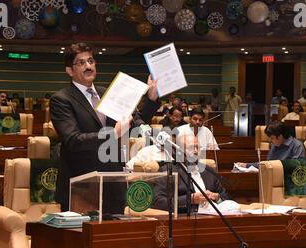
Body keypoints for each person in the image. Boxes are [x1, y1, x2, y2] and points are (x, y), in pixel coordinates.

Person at [49, 42, 160, 212]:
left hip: (112, 184)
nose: (88, 66)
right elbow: (73, 140)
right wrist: (113, 134)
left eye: (91, 61)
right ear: (69, 71)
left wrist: (151, 100)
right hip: (81, 186)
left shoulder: (106, 93)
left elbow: (136, 125)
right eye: (81, 62)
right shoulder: (61, 99)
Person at [153, 134, 233, 213]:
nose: (196, 151)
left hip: (214, 214)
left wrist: (216, 197)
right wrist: (190, 199)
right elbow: (158, 202)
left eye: (197, 148)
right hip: (188, 218)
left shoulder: (207, 170)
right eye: (191, 148)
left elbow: (226, 196)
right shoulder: (168, 171)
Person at [235, 120, 306, 169]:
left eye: (272, 138)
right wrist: (246, 165)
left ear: (280, 136)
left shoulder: (297, 146)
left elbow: (298, 168)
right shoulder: (274, 145)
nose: (270, 141)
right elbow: (268, 165)